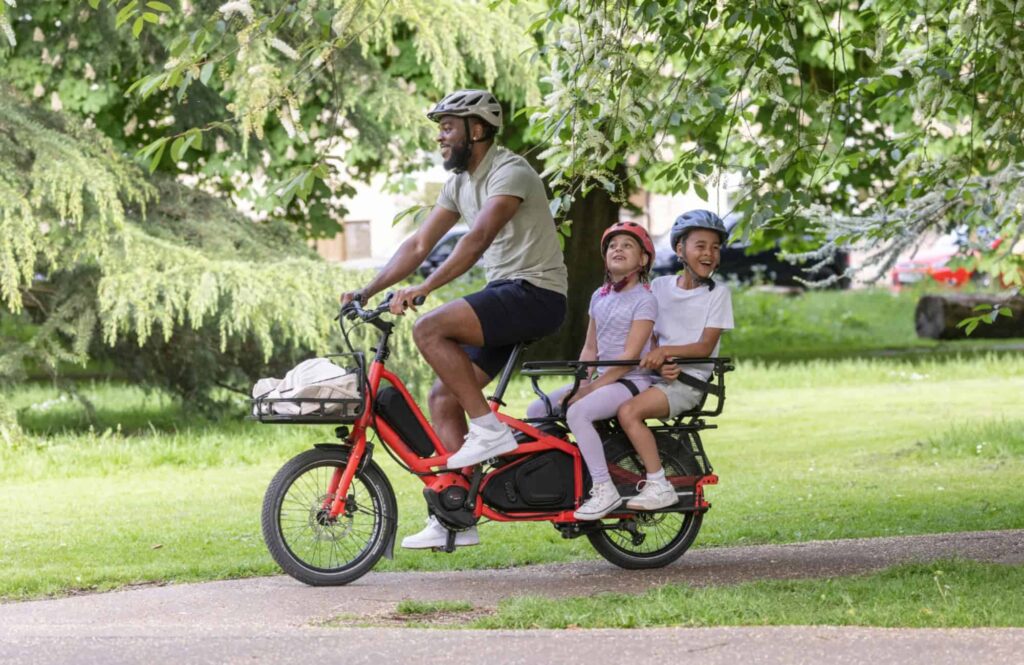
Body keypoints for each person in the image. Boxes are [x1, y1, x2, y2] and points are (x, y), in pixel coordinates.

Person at [340, 89, 568, 549]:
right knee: (443, 397)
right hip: (506, 292)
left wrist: (426, 289)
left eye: (448, 127)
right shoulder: (458, 184)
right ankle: (455, 514)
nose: (441, 138)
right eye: (440, 129)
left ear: (477, 130)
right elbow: (418, 245)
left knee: (430, 327)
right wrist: (368, 291)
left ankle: (489, 430)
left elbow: (479, 237)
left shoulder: (511, 171)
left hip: (537, 293)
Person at [526, 221, 658, 520]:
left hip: (632, 380)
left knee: (578, 412)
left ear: (643, 259)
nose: (618, 249)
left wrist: (587, 392)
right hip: (604, 378)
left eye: (627, 245)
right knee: (538, 409)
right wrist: (581, 383)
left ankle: (604, 488)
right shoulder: (600, 296)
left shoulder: (644, 300)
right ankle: (568, 476)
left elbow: (629, 357)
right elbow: (590, 348)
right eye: (612, 246)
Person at [616, 210, 734, 511]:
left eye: (715, 247)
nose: (709, 253)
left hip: (688, 382)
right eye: (700, 245)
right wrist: (658, 358)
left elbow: (705, 346)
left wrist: (668, 354)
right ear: (680, 250)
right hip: (658, 374)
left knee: (629, 412)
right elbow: (650, 336)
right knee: (604, 403)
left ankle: (659, 484)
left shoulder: (718, 294)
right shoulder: (659, 287)